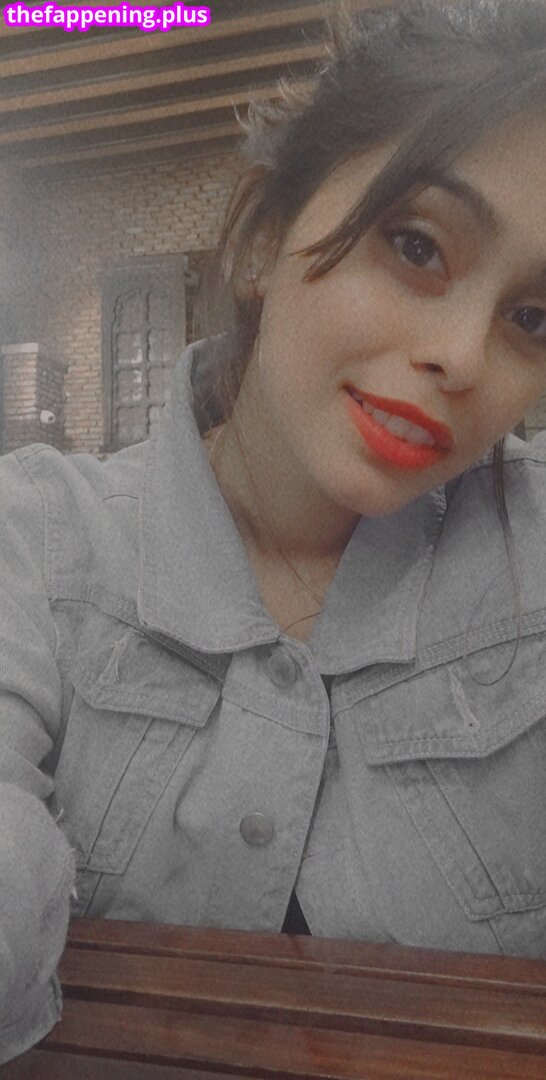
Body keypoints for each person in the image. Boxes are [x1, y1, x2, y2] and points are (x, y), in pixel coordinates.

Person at [1, 0, 546, 1063]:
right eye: (418, 245)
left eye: (534, 318)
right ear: (260, 240)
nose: (464, 355)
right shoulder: (39, 543)